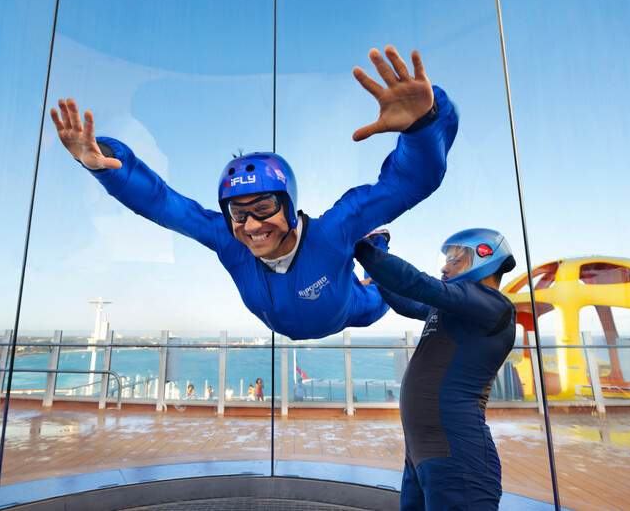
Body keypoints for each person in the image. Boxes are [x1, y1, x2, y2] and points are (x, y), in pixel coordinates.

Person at [51, 45, 458, 340]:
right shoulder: (228, 239)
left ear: (290, 205)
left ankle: (375, 244)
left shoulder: (333, 230)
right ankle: (370, 244)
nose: (251, 225)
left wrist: (423, 125)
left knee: (377, 294)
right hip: (300, 314)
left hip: (350, 307)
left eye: (263, 207)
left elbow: (408, 183)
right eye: (239, 213)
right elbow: (162, 203)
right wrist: (104, 162)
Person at [354, 228, 516, 511]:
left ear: (485, 257)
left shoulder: (492, 305)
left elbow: (417, 284)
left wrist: (356, 245)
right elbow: (407, 300)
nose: (444, 267)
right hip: (422, 455)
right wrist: (375, 261)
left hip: (460, 459)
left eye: (455, 260)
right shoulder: (455, 308)